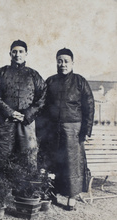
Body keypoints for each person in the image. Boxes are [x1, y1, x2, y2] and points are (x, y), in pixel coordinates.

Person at [41, 48, 94, 210]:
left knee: (72, 163)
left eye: (66, 61)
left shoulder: (80, 81)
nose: (62, 64)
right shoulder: (50, 81)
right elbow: (42, 106)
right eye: (60, 60)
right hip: (52, 129)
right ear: (56, 62)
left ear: (72, 63)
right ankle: (51, 193)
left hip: (73, 129)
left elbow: (89, 106)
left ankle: (72, 197)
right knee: (52, 160)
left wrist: (86, 131)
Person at [0, 40, 46, 170]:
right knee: (1, 157)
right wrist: (10, 112)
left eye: (21, 52)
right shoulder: (0, 73)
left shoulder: (34, 75)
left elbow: (43, 97)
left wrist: (26, 115)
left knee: (28, 157)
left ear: (26, 53)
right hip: (4, 123)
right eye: (14, 51)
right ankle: (2, 189)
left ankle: (26, 190)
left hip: (26, 122)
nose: (17, 55)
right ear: (10, 53)